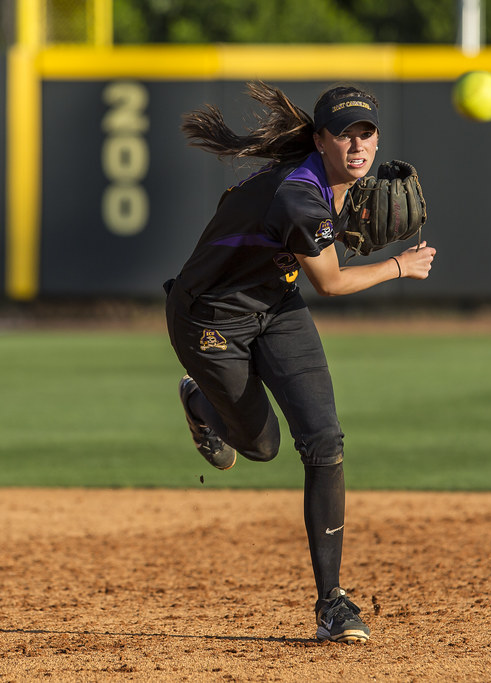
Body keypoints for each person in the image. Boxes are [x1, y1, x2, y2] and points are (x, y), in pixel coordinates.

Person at [164, 81, 436, 644]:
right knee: (261, 446)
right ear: (320, 140)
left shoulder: (333, 186)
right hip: (210, 319)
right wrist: (399, 266)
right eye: (344, 134)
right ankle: (200, 401)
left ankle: (332, 603)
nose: (358, 145)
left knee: (324, 442)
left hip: (276, 306)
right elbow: (331, 282)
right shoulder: (297, 195)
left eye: (366, 133)